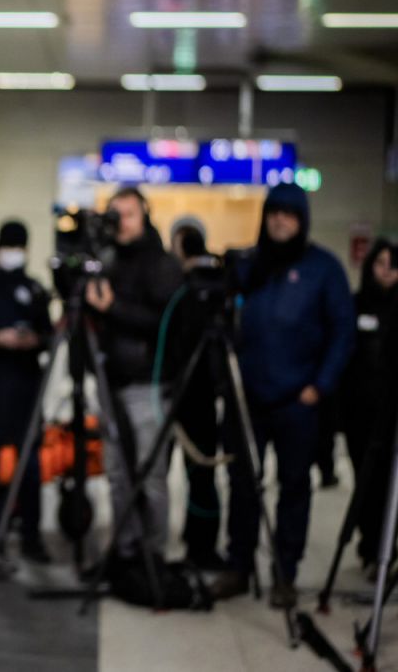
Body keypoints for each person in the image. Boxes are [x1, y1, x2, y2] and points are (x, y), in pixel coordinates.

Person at [211, 182, 355, 608]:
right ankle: (238, 565)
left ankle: (285, 573)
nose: (280, 220)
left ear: (302, 219)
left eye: (289, 214)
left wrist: (320, 386)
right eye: (274, 212)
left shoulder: (323, 269)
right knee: (242, 484)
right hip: (246, 399)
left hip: (298, 401)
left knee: (294, 487)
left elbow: (343, 333)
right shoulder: (249, 266)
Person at [85, 188, 184, 566]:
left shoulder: (161, 264)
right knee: (117, 474)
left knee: (150, 475)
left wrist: (115, 309)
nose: (119, 222)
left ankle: (153, 552)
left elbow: (167, 325)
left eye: (127, 214)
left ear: (144, 216)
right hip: (110, 380)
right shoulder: (107, 259)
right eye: (114, 215)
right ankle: (125, 549)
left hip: (149, 384)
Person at [0, 220, 53, 563]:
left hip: (25, 387)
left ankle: (31, 534)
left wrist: (34, 340)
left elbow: (47, 333)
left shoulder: (34, 290)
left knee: (29, 465)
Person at [167, 217, 226, 569]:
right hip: (197, 391)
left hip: (192, 392)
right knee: (201, 474)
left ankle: (201, 544)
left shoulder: (187, 288)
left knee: (200, 471)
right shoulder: (202, 285)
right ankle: (199, 539)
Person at [337, 239, 398, 578]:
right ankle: (371, 546)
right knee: (367, 483)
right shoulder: (355, 304)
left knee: (391, 484)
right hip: (361, 412)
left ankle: (388, 549)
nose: (387, 270)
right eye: (381, 262)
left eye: (393, 263)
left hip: (393, 415)